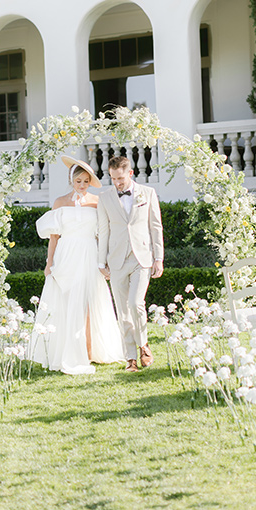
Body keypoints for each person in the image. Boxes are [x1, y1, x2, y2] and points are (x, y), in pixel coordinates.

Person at [29, 155, 124, 375]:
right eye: (78, 181)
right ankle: (65, 350)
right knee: (65, 300)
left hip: (90, 253)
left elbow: (103, 235)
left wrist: (105, 260)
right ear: (71, 180)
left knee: (90, 300)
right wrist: (49, 263)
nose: (82, 185)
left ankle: (90, 349)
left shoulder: (96, 202)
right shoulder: (60, 202)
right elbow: (54, 236)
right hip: (66, 254)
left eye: (85, 181)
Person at [97, 155, 164, 373]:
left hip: (141, 257)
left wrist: (158, 258)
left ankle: (143, 344)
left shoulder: (148, 193)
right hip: (116, 259)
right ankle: (130, 358)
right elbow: (103, 231)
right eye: (113, 179)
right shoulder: (104, 198)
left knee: (136, 303)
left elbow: (156, 227)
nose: (117, 183)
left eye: (120, 178)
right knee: (123, 310)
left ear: (130, 173)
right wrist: (101, 261)